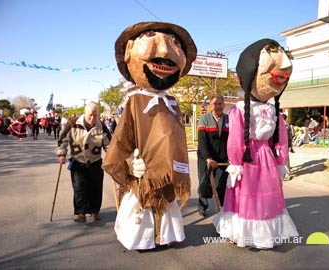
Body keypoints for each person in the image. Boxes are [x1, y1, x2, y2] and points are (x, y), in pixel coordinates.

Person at [102, 21, 197, 250]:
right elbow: (122, 138)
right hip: (144, 168)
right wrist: (129, 163)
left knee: (168, 203)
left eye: (174, 44)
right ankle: (143, 240)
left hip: (168, 168)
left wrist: (180, 165)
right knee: (141, 205)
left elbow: (178, 139)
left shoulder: (173, 103)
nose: (164, 52)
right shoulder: (135, 100)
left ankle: (164, 237)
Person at [213, 39, 298, 249]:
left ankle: (260, 234)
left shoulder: (273, 111)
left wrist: (281, 158)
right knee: (250, 196)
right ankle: (247, 232)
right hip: (250, 157)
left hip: (260, 157)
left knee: (258, 196)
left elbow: (281, 139)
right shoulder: (240, 110)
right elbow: (234, 140)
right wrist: (236, 162)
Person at [56, 103, 111, 223]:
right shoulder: (73, 124)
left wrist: (111, 156)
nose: (93, 118)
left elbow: (108, 144)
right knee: (79, 187)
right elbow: (63, 140)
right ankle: (81, 213)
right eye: (90, 115)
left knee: (96, 187)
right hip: (78, 160)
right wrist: (62, 154)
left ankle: (94, 211)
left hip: (95, 161)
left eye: (95, 115)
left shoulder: (101, 126)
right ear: (84, 113)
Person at [197, 94, 229, 216]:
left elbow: (233, 139)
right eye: (214, 104)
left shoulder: (229, 119)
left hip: (223, 158)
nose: (217, 106)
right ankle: (203, 206)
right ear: (210, 106)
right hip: (206, 157)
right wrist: (208, 158)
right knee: (204, 182)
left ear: (224, 105)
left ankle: (223, 207)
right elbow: (202, 140)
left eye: (220, 104)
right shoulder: (205, 119)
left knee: (221, 183)